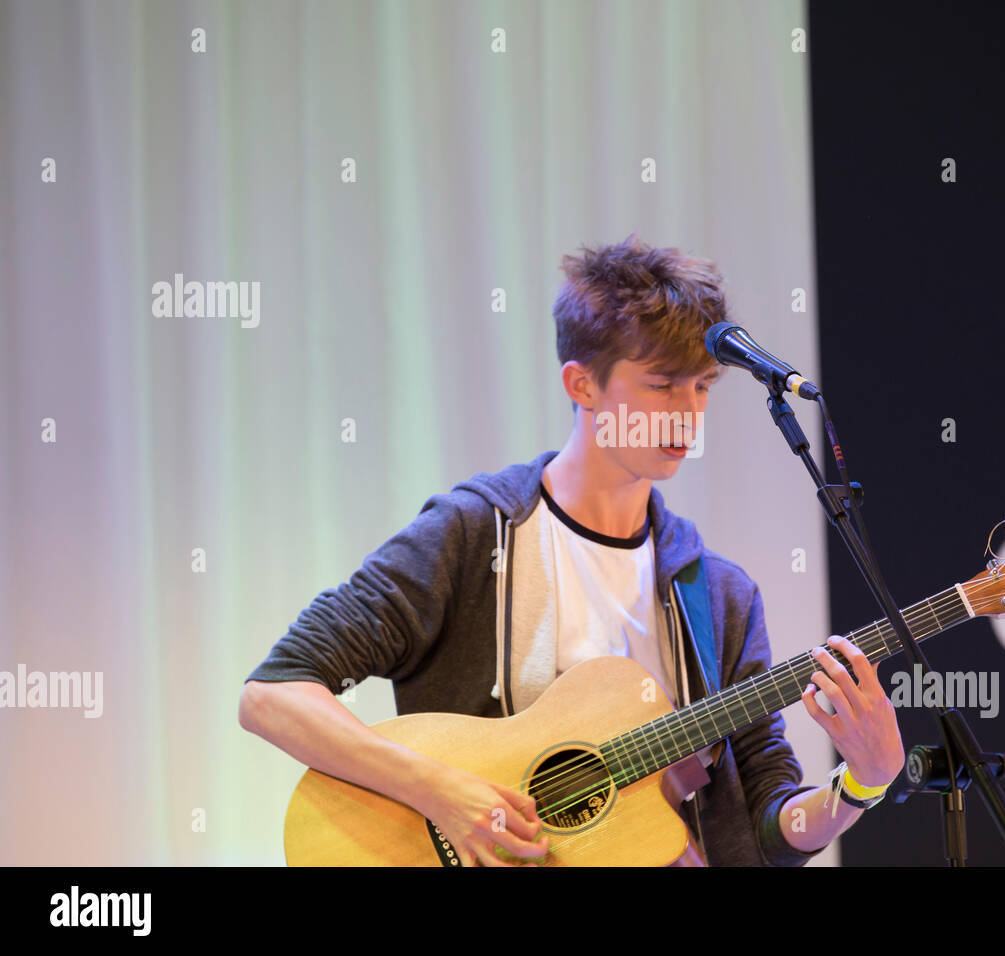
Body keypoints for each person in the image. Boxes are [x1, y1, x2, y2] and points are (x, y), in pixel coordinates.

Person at [239, 234, 905, 866]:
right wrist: (437, 789)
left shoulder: (721, 596)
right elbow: (272, 696)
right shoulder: (473, 535)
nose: (688, 412)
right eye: (662, 384)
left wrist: (860, 788)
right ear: (582, 385)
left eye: (702, 385)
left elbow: (768, 828)